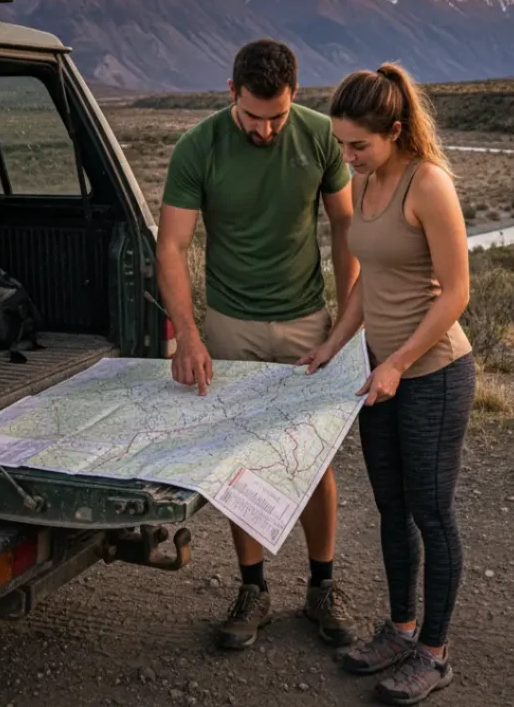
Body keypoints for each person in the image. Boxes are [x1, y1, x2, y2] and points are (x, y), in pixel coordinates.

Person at [155, 38, 359, 651]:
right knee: (242, 459)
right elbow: (171, 246)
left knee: (312, 457)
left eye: (278, 116)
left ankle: (322, 587)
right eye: (253, 116)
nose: (267, 130)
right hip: (229, 325)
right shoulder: (199, 146)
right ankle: (254, 589)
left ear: (294, 96)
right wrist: (188, 335)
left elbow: (346, 224)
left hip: (306, 323)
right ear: (230, 94)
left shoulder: (321, 136)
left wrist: (347, 318)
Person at [296, 62, 476, 705]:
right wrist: (333, 345)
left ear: (395, 131)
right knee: (392, 508)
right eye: (341, 144)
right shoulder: (366, 182)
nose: (346, 156)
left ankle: (434, 653)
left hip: (433, 373)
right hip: (381, 374)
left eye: (358, 145)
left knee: (431, 511)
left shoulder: (428, 184)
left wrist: (398, 362)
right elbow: (369, 280)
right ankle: (400, 631)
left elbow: (455, 293)